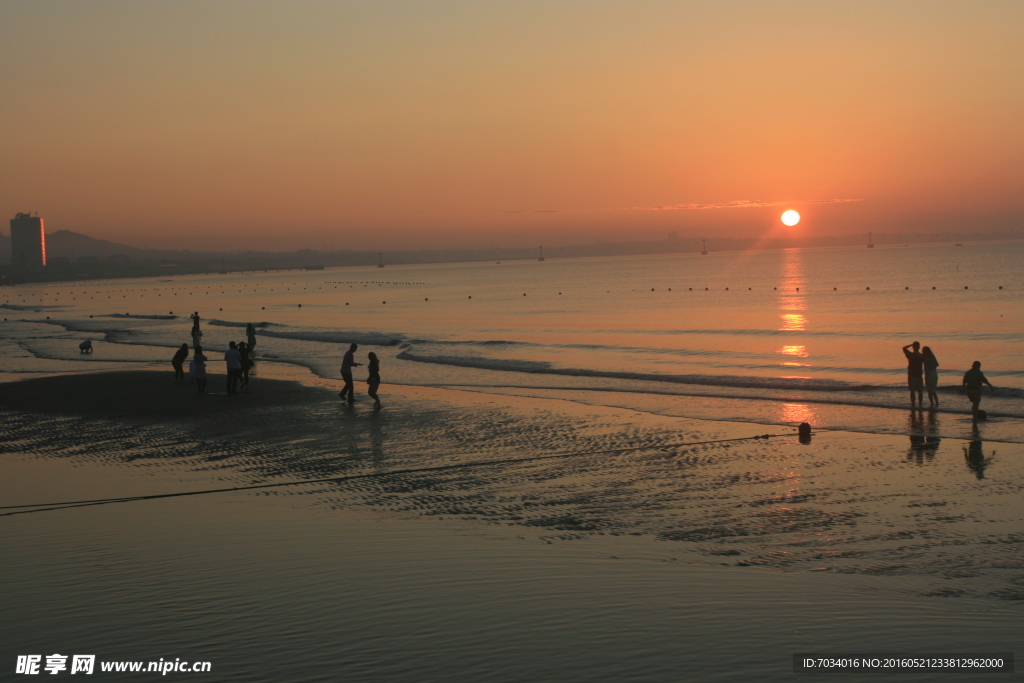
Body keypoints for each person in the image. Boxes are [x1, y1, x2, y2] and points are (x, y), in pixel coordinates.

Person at [902, 341, 925, 408]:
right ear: (919, 347)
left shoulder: (911, 355)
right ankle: (920, 404)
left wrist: (911, 344)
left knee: (912, 391)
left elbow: (904, 348)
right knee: (920, 391)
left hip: (912, 374)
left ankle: (913, 404)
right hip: (919, 375)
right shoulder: (922, 356)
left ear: (913, 347)